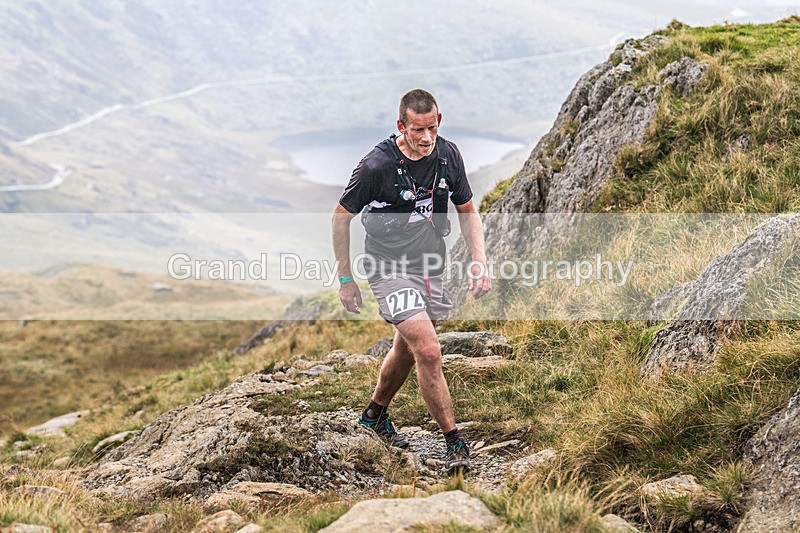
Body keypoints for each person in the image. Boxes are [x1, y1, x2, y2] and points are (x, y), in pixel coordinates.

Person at [331, 88, 491, 474]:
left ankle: (373, 416)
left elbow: (467, 210)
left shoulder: (448, 155)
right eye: (417, 129)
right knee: (430, 350)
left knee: (407, 348)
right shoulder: (376, 167)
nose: (426, 137)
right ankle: (454, 442)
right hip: (388, 268)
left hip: (430, 266)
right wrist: (346, 278)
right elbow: (340, 217)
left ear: (439, 121)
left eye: (432, 128)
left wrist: (479, 261)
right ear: (401, 126)